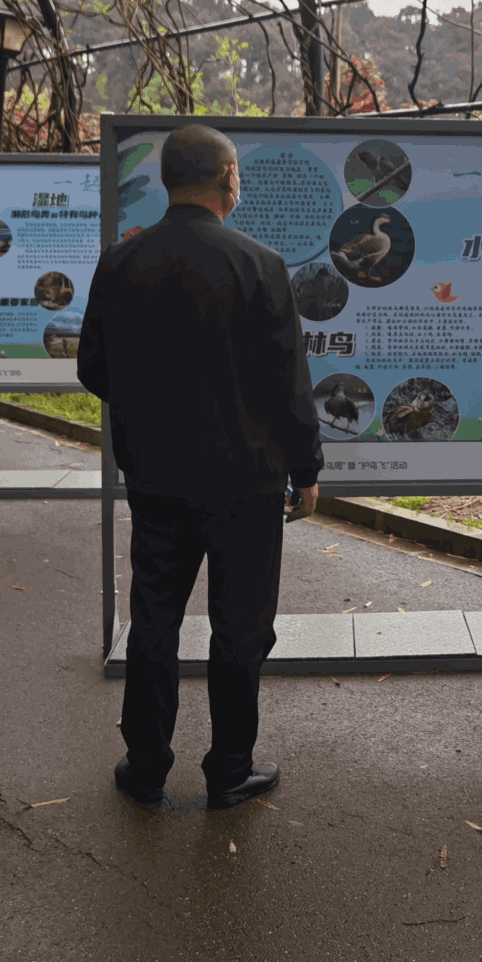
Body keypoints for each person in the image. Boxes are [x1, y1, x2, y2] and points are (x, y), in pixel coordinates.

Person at [78, 124, 323, 811]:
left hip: (155, 476)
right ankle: (229, 770)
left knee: (154, 618)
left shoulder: (120, 264)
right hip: (246, 480)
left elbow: (93, 368)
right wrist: (306, 470)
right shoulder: (259, 264)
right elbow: (288, 385)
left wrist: (146, 408)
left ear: (168, 180)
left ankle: (146, 765)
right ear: (227, 178)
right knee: (241, 626)